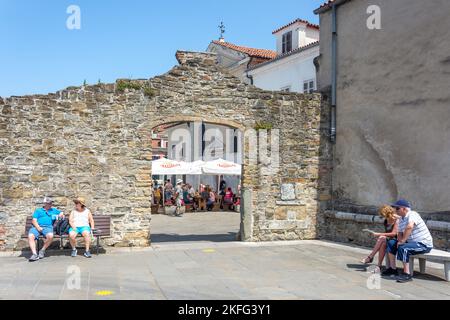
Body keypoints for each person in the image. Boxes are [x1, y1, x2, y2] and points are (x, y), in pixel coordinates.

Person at [382, 200, 433, 283]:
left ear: (404, 209)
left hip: (423, 244)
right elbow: (400, 233)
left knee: (404, 248)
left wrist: (402, 241)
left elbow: (409, 227)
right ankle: (393, 269)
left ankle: (407, 274)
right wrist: (399, 241)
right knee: (391, 243)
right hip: (411, 243)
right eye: (395, 208)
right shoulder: (401, 219)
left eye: (397, 208)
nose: (396, 210)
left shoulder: (412, 214)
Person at [28, 197, 64, 262]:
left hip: (48, 227)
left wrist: (61, 214)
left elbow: (61, 213)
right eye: (48, 203)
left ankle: (42, 250)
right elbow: (34, 220)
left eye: (51, 203)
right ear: (44, 203)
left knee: (50, 236)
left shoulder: (53, 210)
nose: (50, 204)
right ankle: (34, 254)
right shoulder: (38, 210)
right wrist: (38, 227)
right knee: (31, 236)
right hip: (37, 226)